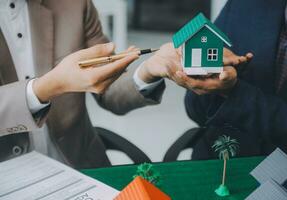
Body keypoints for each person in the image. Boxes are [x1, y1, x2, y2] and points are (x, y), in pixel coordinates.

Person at [0, 0, 170, 168]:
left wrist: (147, 72)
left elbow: (110, 88)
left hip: (79, 166)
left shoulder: (76, 4)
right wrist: (48, 86)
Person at [181, 0, 287, 158]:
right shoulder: (244, 5)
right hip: (219, 161)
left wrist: (233, 92)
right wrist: (203, 81)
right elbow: (196, 109)